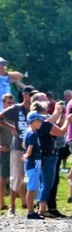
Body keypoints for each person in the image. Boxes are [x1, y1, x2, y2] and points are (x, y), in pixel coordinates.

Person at [29, 96, 71, 218]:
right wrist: (68, 120)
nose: (46, 116)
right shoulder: (45, 125)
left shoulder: (36, 126)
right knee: (47, 184)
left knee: (43, 183)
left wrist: (61, 117)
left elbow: (55, 127)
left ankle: (40, 207)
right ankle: (42, 209)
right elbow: (61, 132)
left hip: (42, 156)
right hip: (48, 156)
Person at [0, 85, 36, 216]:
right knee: (16, 176)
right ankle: (12, 206)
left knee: (34, 176)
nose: (32, 97)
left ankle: (34, 205)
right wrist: (11, 127)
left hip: (34, 147)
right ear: (24, 95)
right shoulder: (16, 109)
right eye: (31, 94)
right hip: (18, 148)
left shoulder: (35, 109)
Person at [22, 111, 46, 219]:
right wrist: (26, 155)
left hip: (32, 163)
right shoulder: (32, 134)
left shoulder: (28, 132)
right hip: (33, 163)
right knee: (31, 188)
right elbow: (30, 149)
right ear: (34, 121)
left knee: (32, 187)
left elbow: (23, 144)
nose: (41, 122)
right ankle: (31, 212)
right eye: (39, 120)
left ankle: (31, 210)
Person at [0, 93, 15, 211]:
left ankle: (13, 204)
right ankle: (1, 202)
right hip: (5, 151)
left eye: (12, 103)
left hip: (16, 150)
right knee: (3, 178)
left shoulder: (14, 116)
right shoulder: (2, 117)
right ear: (4, 104)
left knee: (15, 177)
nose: (11, 105)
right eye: (8, 103)